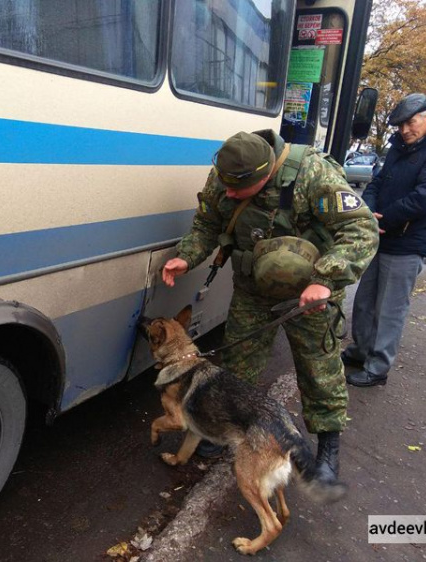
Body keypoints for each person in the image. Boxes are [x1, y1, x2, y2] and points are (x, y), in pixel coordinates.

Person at [162, 130, 378, 484]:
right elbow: (207, 225)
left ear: (265, 176)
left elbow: (361, 229)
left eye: (237, 189)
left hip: (309, 295)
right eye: (225, 185)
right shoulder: (226, 176)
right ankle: (221, 431)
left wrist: (325, 279)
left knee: (318, 369)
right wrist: (186, 258)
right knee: (237, 367)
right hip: (253, 290)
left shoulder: (312, 174)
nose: (228, 193)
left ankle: (327, 447)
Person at [343, 93, 426, 387]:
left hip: (408, 241)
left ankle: (377, 367)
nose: (404, 130)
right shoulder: (398, 147)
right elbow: (377, 182)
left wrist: (384, 218)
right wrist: (368, 211)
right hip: (380, 236)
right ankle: (360, 351)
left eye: (410, 123)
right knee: (365, 302)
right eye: (400, 126)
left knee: (390, 309)